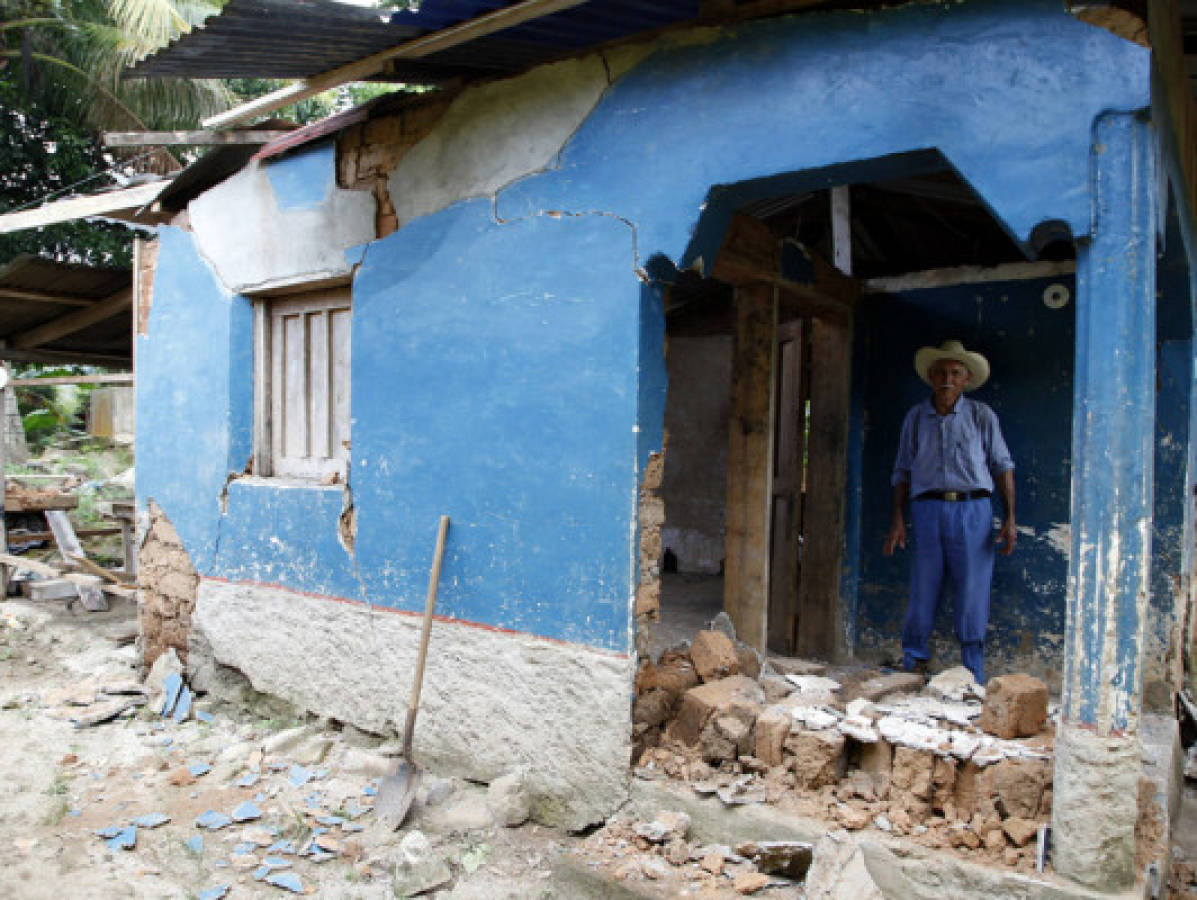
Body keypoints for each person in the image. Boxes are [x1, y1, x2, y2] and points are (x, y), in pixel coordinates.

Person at [882, 340, 1015, 684]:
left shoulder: (981, 416)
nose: (947, 378)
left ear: (966, 379)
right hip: (926, 510)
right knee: (924, 583)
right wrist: (897, 519)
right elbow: (902, 472)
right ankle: (914, 658)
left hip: (973, 509)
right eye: (941, 372)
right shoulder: (916, 417)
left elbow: (1002, 466)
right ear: (930, 377)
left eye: (955, 373)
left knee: (972, 586)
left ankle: (972, 669)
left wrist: (1010, 518)